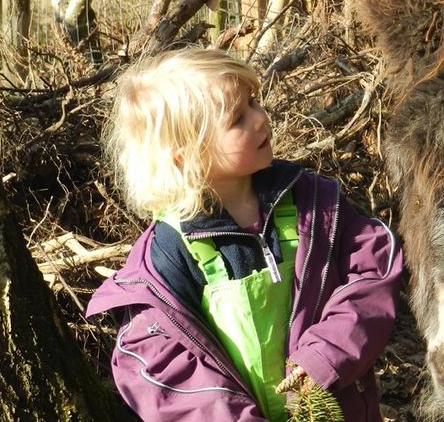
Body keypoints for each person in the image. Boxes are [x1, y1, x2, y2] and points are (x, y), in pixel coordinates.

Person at [86, 48, 403, 421]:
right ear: (185, 156)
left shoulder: (311, 202)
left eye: (254, 102)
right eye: (238, 118)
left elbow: (371, 272)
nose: (260, 119)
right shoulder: (168, 254)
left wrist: (322, 359)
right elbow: (158, 364)